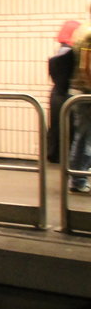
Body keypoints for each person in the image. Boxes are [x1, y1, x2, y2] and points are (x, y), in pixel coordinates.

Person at [47, 20, 80, 163]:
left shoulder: (61, 51)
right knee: (71, 134)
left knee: (58, 132)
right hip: (67, 97)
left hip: (57, 96)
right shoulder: (70, 53)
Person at [68, 20, 91, 194]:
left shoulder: (81, 30)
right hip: (86, 92)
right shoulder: (89, 34)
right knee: (85, 138)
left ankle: (79, 176)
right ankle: (78, 180)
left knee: (83, 137)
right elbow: (87, 67)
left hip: (80, 91)